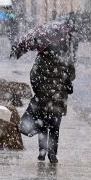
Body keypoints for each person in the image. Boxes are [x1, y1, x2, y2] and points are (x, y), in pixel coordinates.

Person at [15, 18, 77, 164]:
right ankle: (53, 154)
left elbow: (33, 76)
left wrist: (39, 90)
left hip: (43, 99)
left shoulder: (41, 58)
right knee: (55, 127)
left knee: (43, 126)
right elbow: (72, 75)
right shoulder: (65, 57)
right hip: (58, 99)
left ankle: (42, 152)